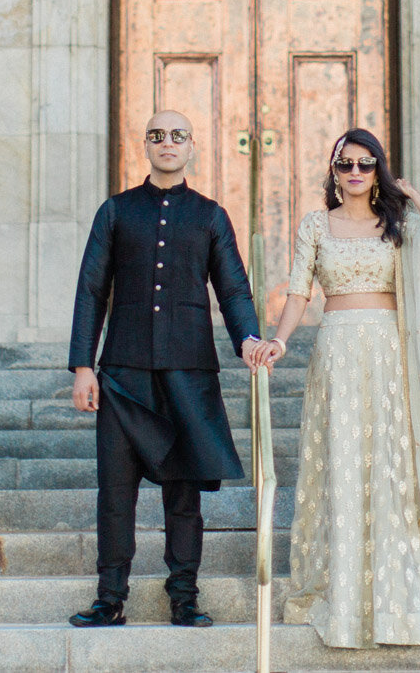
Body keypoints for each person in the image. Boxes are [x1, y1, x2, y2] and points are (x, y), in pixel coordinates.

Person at [250, 128, 420, 649]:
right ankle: (344, 598)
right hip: (336, 352)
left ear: (377, 170)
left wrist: (414, 195)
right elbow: (297, 292)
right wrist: (280, 343)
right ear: (333, 172)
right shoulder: (316, 224)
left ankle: (397, 604)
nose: (354, 173)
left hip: (390, 354)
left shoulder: (396, 224)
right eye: (345, 165)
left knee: (391, 468)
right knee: (344, 463)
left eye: (364, 164)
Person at [65, 110, 268, 629]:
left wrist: (247, 338)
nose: (168, 143)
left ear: (192, 146)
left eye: (178, 135)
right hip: (122, 376)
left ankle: (184, 596)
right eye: (157, 135)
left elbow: (233, 289)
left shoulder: (210, 215)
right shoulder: (115, 212)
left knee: (184, 496)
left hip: (188, 375)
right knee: (115, 492)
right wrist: (83, 366)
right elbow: (91, 289)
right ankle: (110, 599)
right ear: (146, 146)